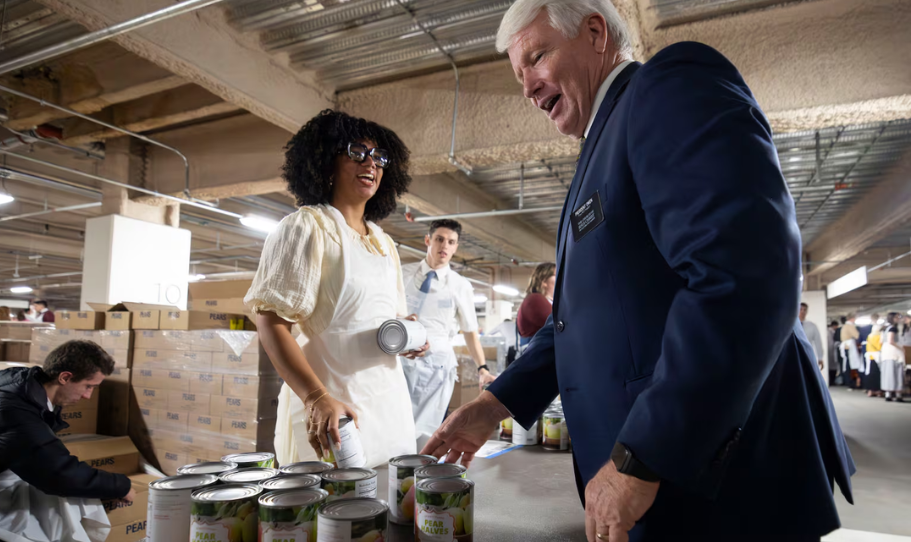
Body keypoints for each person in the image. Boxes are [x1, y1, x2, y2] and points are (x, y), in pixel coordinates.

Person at [422, 2, 854, 541]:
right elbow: (584, 320)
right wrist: (495, 403)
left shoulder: (666, 88)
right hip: (675, 481)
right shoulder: (598, 149)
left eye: (537, 57)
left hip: (717, 478)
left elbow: (743, 275)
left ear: (596, 34)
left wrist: (643, 455)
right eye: (518, 75)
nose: (528, 88)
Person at [245, 109, 426, 468]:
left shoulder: (383, 242)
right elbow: (271, 322)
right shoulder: (307, 228)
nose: (370, 164)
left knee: (389, 503)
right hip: (333, 407)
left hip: (388, 403)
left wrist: (407, 335)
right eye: (357, 152)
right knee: (332, 514)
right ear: (326, 160)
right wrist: (316, 397)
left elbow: (385, 317)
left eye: (379, 157)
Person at [0, 340, 134, 541]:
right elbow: (58, 474)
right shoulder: (12, 413)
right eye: (88, 386)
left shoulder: (30, 396)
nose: (88, 396)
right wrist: (121, 485)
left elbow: (48, 458)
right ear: (65, 377)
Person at [400, 219, 496, 449]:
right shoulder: (403, 273)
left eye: (451, 242)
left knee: (427, 428)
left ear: (456, 247)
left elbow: (470, 332)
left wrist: (482, 368)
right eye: (439, 239)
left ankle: (417, 477)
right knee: (396, 422)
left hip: (437, 365)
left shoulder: (460, 285)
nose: (445, 246)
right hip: (400, 359)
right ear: (428, 240)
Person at [516, 262, 556, 345]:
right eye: (557, 275)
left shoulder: (551, 302)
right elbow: (558, 324)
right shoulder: (535, 299)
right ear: (544, 281)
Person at [880, 312, 906, 402]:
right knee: (897, 374)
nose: (898, 319)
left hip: (886, 353)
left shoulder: (885, 328)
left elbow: (881, 341)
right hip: (894, 353)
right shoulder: (893, 329)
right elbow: (891, 340)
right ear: (893, 318)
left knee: (888, 374)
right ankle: (898, 395)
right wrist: (901, 348)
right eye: (897, 317)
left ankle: (888, 394)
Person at [799, 303, 824, 371]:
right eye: (800, 309)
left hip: (807, 355)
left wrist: (820, 357)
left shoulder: (812, 326)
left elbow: (818, 342)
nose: (802, 312)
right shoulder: (790, 326)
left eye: (804, 310)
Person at [840, 313, 862, 389]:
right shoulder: (850, 326)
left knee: (847, 364)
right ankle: (850, 383)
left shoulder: (844, 326)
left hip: (846, 346)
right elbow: (857, 335)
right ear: (852, 318)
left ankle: (849, 382)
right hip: (849, 347)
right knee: (850, 365)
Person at [828, 321, 841, 385]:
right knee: (832, 367)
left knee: (832, 367)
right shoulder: (829, 332)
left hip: (831, 351)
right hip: (831, 350)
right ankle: (831, 381)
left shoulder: (830, 332)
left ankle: (832, 381)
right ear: (834, 326)